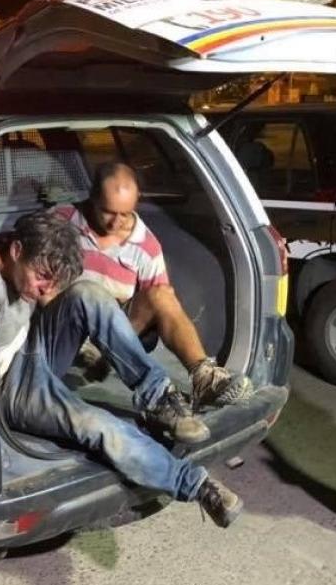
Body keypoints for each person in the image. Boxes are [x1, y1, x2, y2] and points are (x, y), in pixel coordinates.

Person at [0, 211, 243, 528]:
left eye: (51, 281)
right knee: (95, 423)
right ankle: (194, 484)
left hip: (31, 347)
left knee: (88, 294)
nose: (45, 290)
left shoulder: (21, 259)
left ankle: (159, 399)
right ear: (15, 251)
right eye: (42, 277)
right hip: (9, 388)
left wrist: (71, 314)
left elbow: (51, 293)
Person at [54, 161, 254, 410]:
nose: (116, 223)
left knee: (162, 295)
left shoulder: (146, 247)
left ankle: (205, 379)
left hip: (110, 333)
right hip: (62, 325)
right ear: (93, 198)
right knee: (83, 292)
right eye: (107, 212)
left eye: (125, 214)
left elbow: (159, 312)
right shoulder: (62, 221)